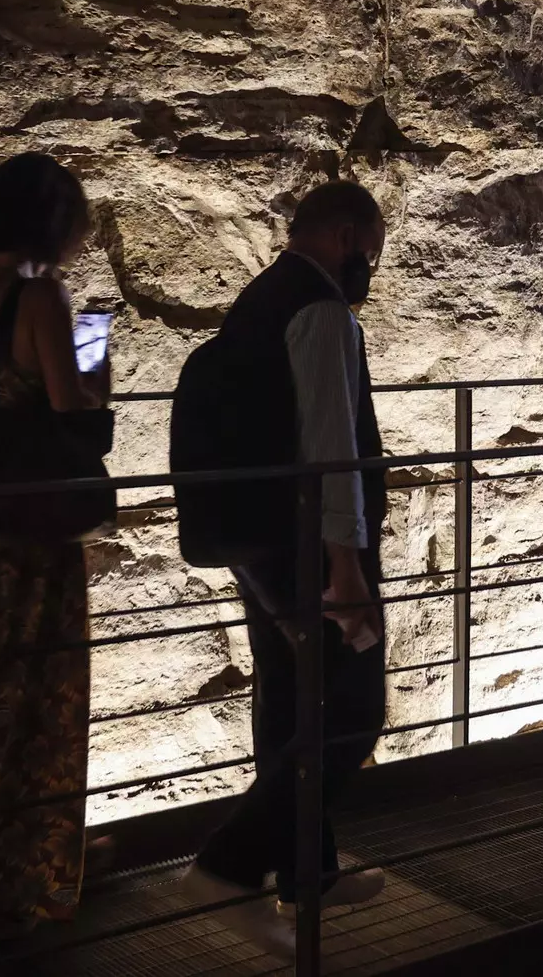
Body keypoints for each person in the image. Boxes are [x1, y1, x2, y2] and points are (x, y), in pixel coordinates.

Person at [183, 181, 390, 957]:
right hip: (312, 550)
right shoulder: (323, 312)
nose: (369, 267)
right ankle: (227, 868)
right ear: (342, 237)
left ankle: (311, 871)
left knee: (289, 703)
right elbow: (333, 449)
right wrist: (347, 568)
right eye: (370, 251)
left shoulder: (258, 300)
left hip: (259, 542)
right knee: (353, 711)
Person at [0, 152, 112, 951]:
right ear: (51, 220)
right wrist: (96, 361)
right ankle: (28, 885)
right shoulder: (41, 293)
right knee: (43, 698)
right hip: (32, 536)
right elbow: (67, 406)